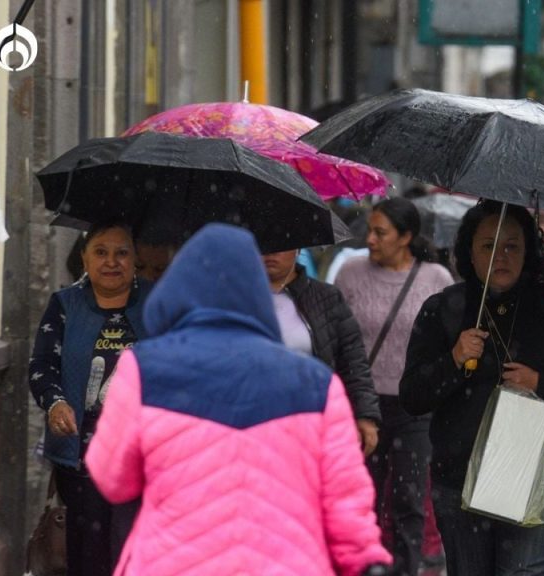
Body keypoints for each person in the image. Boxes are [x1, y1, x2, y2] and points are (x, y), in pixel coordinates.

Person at [85, 223, 392, 575]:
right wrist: (365, 560)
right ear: (257, 294)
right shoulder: (317, 385)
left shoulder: (143, 370)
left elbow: (112, 478)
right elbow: (344, 499)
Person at [400, 201, 544, 576]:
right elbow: (413, 395)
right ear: (469, 252)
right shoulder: (443, 308)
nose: (501, 256)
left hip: (538, 473)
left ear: (528, 252)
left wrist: (541, 382)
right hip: (459, 476)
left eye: (512, 246)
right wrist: (454, 360)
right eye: (488, 246)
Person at [335, 197, 454, 575]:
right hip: (360, 405)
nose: (369, 239)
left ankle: (405, 568)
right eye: (369, 230)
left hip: (414, 407)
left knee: (408, 499)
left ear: (406, 237)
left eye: (380, 232)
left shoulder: (436, 279)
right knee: (360, 499)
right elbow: (337, 340)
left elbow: (447, 344)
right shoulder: (350, 274)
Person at [28, 220, 151, 576]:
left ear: (135, 259)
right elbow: (42, 364)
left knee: (132, 550)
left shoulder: (156, 303)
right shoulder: (65, 305)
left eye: (121, 253)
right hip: (82, 454)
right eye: (101, 252)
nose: (111, 261)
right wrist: (55, 403)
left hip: (140, 454)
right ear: (84, 258)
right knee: (88, 553)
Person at [261, 248, 382, 455]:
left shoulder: (326, 298)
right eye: (264, 243)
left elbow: (352, 360)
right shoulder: (237, 297)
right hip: (255, 421)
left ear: (298, 250)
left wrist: (365, 414)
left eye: (282, 245)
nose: (271, 252)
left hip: (313, 422)